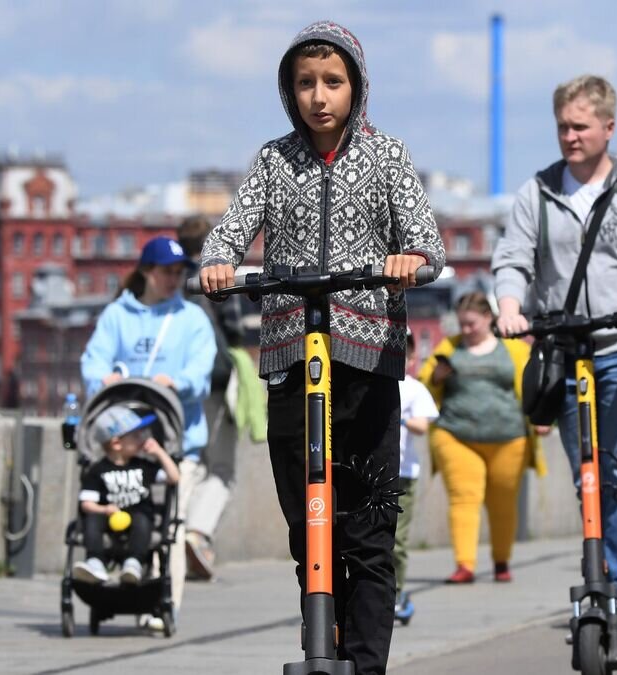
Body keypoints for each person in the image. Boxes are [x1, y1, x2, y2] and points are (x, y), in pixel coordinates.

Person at [200, 20, 445, 675]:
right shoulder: (274, 159)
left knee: (367, 528)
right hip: (288, 354)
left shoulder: (388, 155)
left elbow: (431, 247)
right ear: (290, 90)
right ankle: (321, 643)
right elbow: (229, 231)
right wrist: (220, 263)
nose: (318, 96)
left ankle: (365, 665)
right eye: (305, 83)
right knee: (308, 524)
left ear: (356, 86)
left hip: (367, 360)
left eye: (332, 82)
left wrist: (408, 259)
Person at [491, 75, 617, 638]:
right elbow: (513, 259)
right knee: (588, 477)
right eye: (562, 127)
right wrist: (510, 307)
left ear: (608, 127)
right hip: (564, 349)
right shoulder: (538, 191)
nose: (570, 137)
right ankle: (596, 577)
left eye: (580, 126)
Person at [80, 235, 216, 624]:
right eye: (165, 272)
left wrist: (178, 382)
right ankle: (127, 585)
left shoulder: (192, 320)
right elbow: (94, 362)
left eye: (178, 272)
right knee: (133, 518)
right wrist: (100, 381)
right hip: (122, 446)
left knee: (172, 523)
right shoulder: (116, 317)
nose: (173, 279)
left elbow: (200, 373)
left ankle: (163, 603)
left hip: (176, 442)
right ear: (146, 272)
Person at [418, 292, 547, 585]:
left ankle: (502, 561)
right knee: (464, 498)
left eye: (471, 324)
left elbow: (534, 384)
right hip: (456, 435)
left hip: (509, 438)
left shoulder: (513, 349)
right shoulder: (449, 348)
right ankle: (465, 564)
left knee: (503, 504)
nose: (465, 330)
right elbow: (425, 388)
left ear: (489, 318)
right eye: (461, 324)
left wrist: (541, 419)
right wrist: (437, 377)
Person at [177, 215, 247, 580]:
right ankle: (197, 532)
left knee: (192, 461)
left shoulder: (168, 278)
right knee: (220, 467)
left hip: (171, 386)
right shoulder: (216, 272)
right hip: (213, 383)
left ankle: (174, 533)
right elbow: (234, 328)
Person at [72, 405, 180, 585]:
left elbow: (174, 477)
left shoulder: (143, 466)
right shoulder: (98, 470)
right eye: (136, 436)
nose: (142, 439)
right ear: (116, 443)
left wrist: (159, 452)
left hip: (137, 515)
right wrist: (105, 509)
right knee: (91, 520)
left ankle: (134, 563)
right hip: (109, 514)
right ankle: (95, 562)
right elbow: (86, 503)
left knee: (143, 519)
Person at [391, 330, 438, 624]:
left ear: (410, 358)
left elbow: (423, 424)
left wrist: (402, 418)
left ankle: (395, 592)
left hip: (402, 475)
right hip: (372, 472)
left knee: (397, 539)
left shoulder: (414, 389)